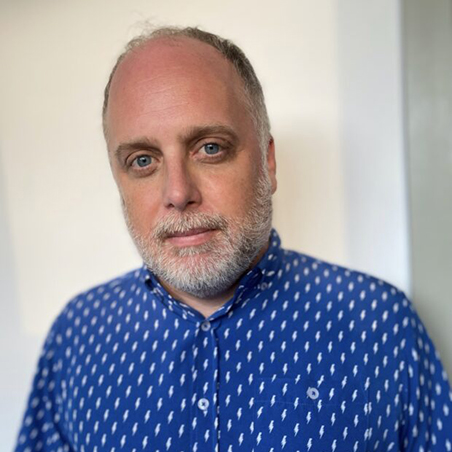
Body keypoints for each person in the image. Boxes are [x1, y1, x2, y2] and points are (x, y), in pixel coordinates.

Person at [15, 26, 452, 452]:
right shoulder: (78, 338)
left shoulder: (379, 325)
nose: (178, 193)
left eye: (210, 148)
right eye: (143, 160)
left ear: (268, 160)